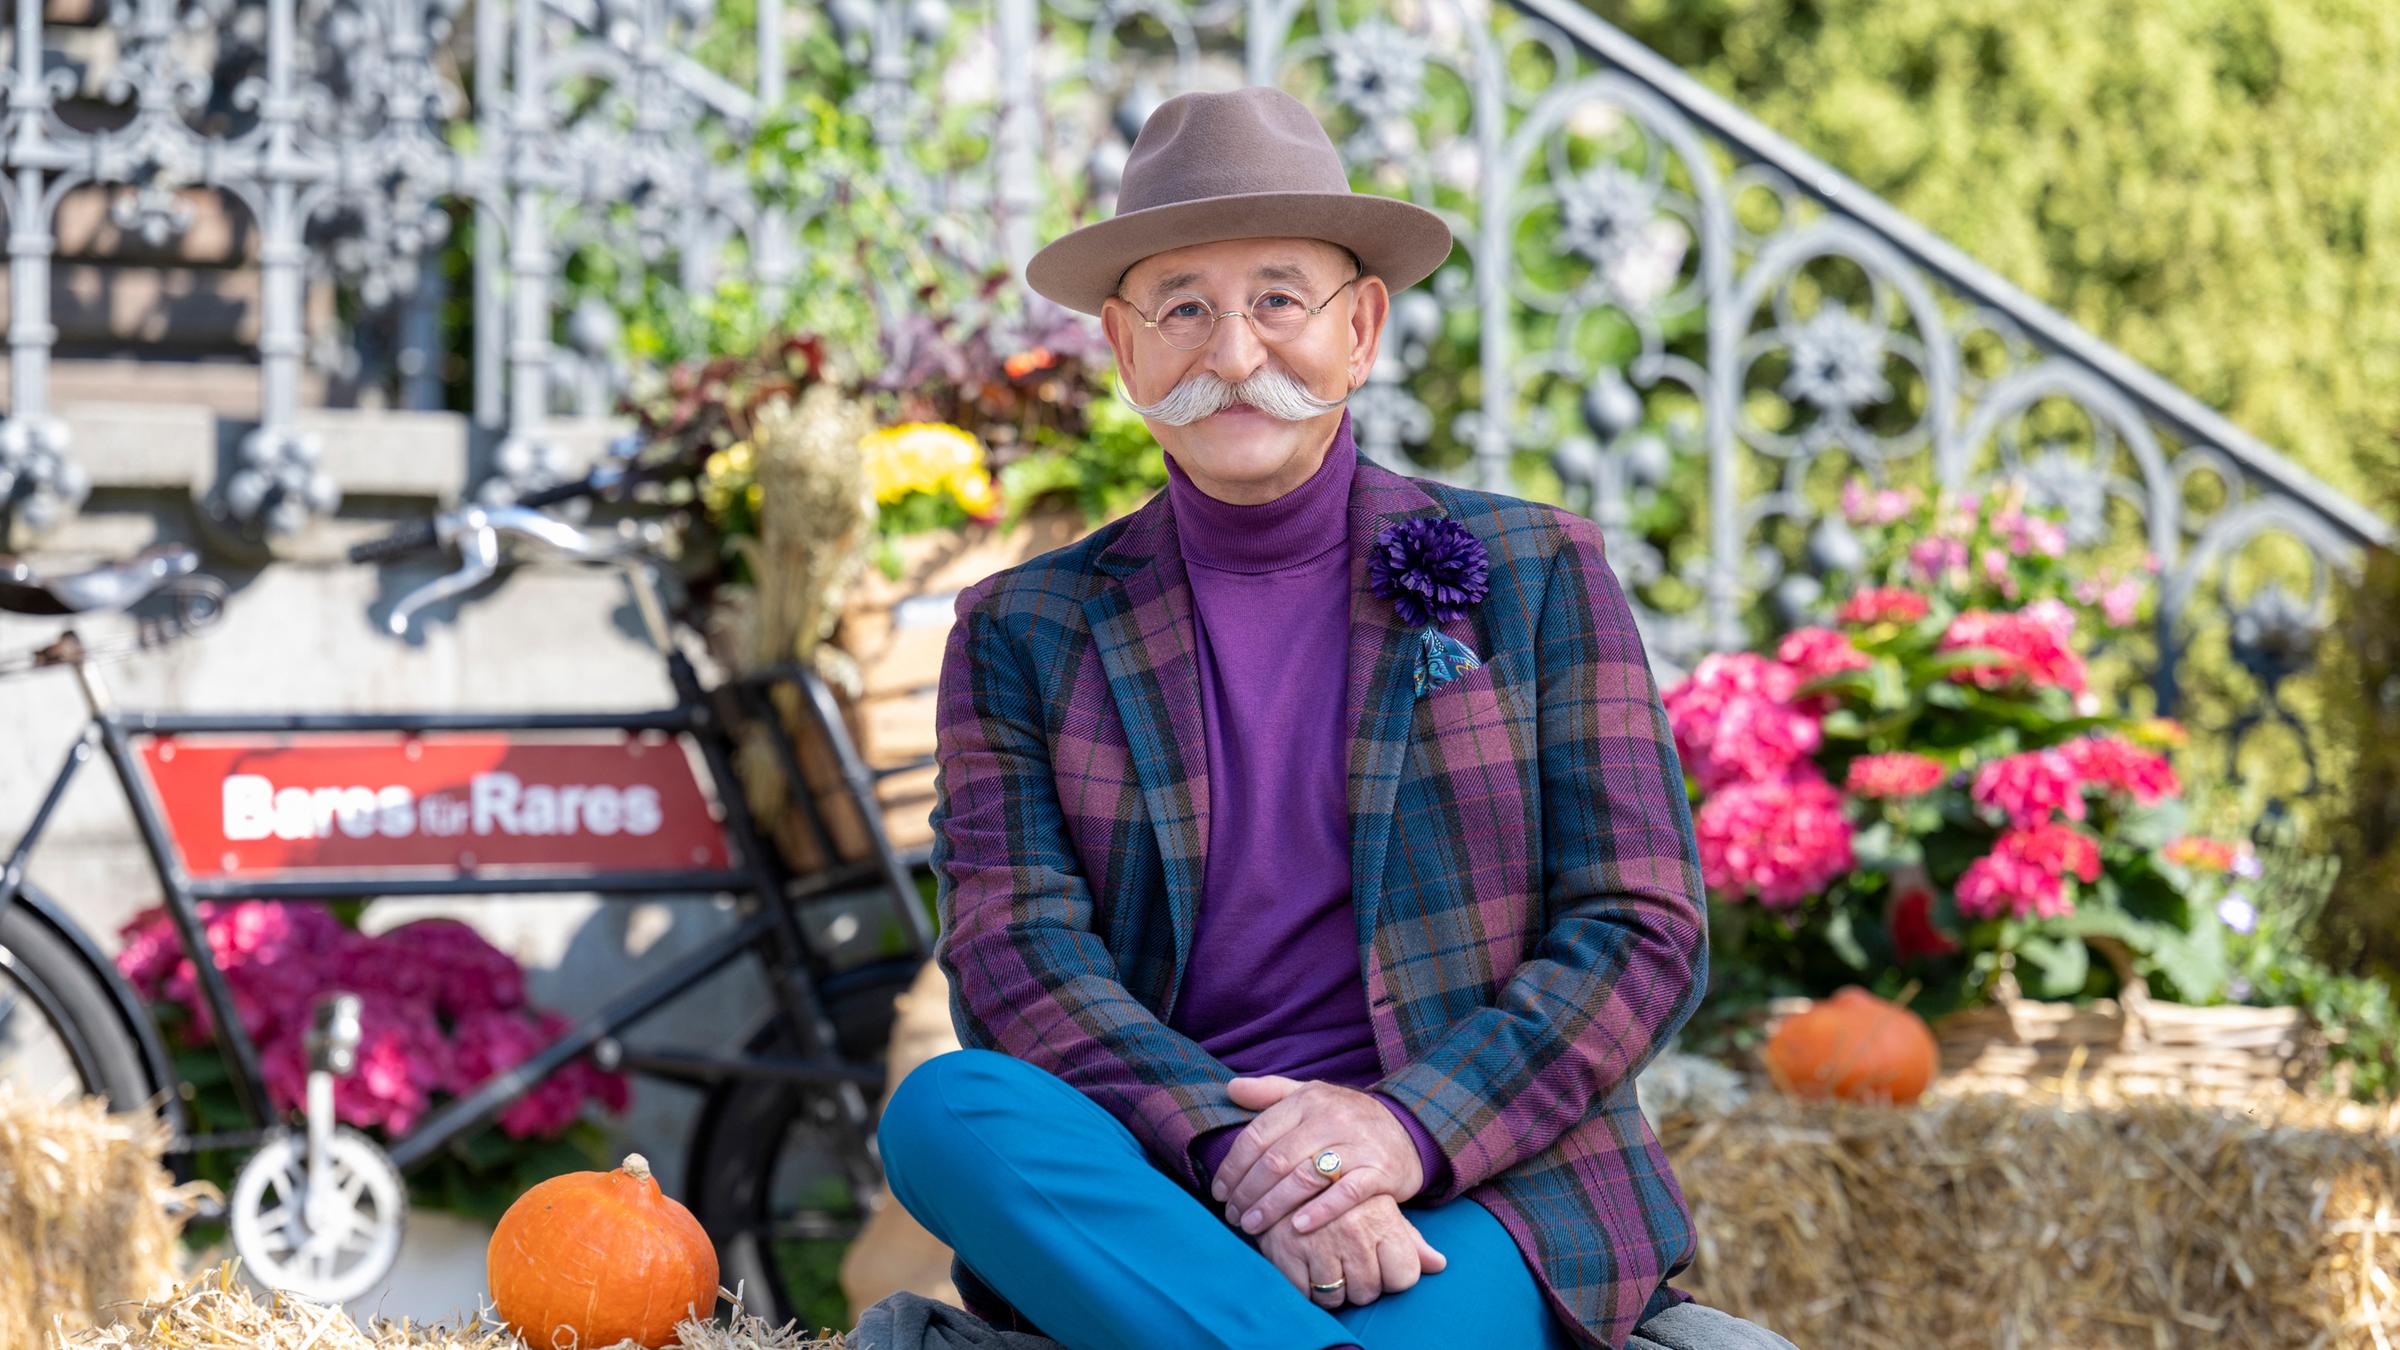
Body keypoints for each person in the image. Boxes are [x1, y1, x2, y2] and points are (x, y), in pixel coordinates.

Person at [873, 85, 1793, 1350]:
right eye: (1184, 307)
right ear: (1124, 347)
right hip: (1165, 1178)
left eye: (1279, 300)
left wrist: (1397, 1130)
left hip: (1474, 1183)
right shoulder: (1023, 628)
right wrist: (1239, 1147)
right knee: (947, 1111)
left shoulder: (1532, 570)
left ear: (1359, 328)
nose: (1235, 353)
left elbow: (1640, 927)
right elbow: (1015, 961)